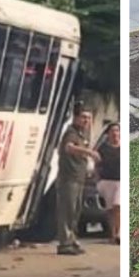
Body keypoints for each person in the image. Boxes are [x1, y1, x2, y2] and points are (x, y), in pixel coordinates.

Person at [57, 103, 98, 255]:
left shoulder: (82, 134)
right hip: (69, 178)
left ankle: (72, 240)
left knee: (75, 212)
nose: (86, 121)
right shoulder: (71, 132)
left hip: (79, 178)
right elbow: (69, 147)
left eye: (88, 118)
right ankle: (64, 243)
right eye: (83, 117)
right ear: (76, 118)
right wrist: (89, 152)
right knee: (67, 211)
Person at [96, 123, 121, 245]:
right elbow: (96, 162)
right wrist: (98, 178)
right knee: (110, 209)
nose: (115, 133)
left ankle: (119, 233)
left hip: (120, 181)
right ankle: (112, 234)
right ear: (108, 133)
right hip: (106, 181)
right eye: (112, 131)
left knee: (118, 205)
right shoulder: (103, 148)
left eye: (117, 130)